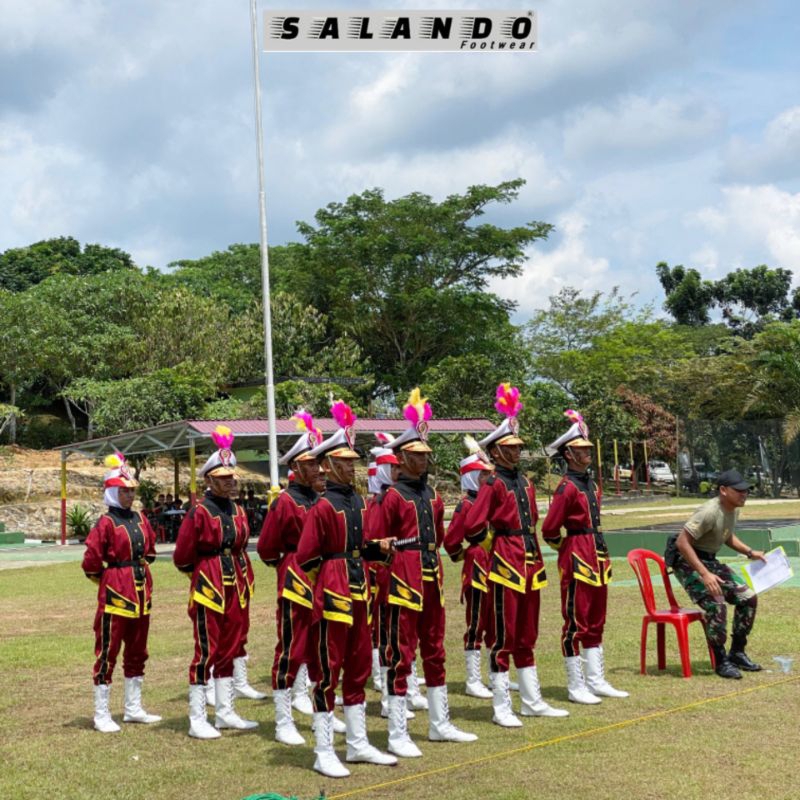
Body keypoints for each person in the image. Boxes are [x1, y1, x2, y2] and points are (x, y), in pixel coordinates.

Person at [296, 400, 397, 777]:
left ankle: (356, 743)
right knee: (328, 669)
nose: (351, 467)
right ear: (329, 465)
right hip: (334, 595)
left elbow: (358, 547)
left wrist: (377, 549)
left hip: (361, 591)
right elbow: (306, 558)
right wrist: (331, 575)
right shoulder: (322, 507)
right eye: (345, 462)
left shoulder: (356, 501)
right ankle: (324, 749)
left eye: (353, 461)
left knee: (357, 668)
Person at [380, 388, 477, 758]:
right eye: (417, 456)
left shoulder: (434, 497)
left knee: (434, 650)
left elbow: (436, 535)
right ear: (402, 458)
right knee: (400, 653)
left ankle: (440, 723)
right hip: (402, 580)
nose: (424, 462)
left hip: (431, 577)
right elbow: (376, 544)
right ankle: (397, 731)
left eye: (425, 456)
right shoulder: (391, 497)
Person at [463, 384, 567, 726]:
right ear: (495, 451)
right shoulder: (492, 484)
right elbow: (474, 527)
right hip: (506, 564)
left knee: (527, 634)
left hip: (531, 560)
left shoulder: (525, 483)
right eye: (511, 448)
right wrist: (497, 549)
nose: (517, 453)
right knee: (503, 637)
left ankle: (532, 700)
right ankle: (501, 706)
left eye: (519, 447)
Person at [173, 425, 258, 739]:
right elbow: (182, 556)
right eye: (223, 478)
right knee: (206, 651)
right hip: (209, 585)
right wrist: (200, 577)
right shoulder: (199, 512)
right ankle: (197, 718)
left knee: (230, 648)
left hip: (237, 583)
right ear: (208, 480)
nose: (230, 482)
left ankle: (225, 712)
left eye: (232, 477)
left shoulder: (238, 510)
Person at [542, 410, 628, 704]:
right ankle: (575, 684)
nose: (588, 454)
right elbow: (550, 528)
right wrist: (566, 549)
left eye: (589, 449)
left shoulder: (591, 484)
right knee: (575, 623)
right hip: (577, 554)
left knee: (596, 619)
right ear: (568, 454)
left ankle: (596, 679)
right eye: (581, 450)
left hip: (597, 553)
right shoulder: (566, 488)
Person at [258, 410, 326, 746]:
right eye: (312, 463)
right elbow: (268, 548)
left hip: (323, 581)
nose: (318, 468)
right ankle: (283, 720)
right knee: (290, 649)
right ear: (296, 467)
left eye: (319, 462)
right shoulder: (284, 502)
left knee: (319, 651)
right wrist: (288, 566)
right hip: (296, 581)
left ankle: (319, 714)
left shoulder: (321, 499)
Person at [81, 452, 161, 733]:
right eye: (125, 492)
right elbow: (91, 562)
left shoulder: (140, 519)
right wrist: (109, 580)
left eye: (132, 492)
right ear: (113, 493)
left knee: (138, 650)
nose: (130, 496)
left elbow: (150, 550)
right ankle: (101, 713)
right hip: (116, 594)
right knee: (108, 652)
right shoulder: (105, 523)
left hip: (141, 593)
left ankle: (133, 708)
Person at [668, 469, 766, 679]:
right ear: (723, 490)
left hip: (709, 560)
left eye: (746, 490)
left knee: (748, 597)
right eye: (739, 490)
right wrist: (704, 574)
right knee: (717, 603)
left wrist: (750, 552)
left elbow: (727, 536)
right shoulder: (709, 511)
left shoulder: (732, 509)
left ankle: (737, 653)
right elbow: (682, 542)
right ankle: (721, 660)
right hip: (688, 562)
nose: (744, 494)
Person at [443, 440, 494, 700]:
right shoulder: (466, 505)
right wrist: (462, 555)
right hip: (477, 565)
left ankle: (495, 674)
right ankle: (473, 680)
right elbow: (451, 540)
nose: (488, 478)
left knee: (497, 621)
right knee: (476, 622)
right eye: (483, 474)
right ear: (474, 477)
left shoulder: (491, 500)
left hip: (498, 563)